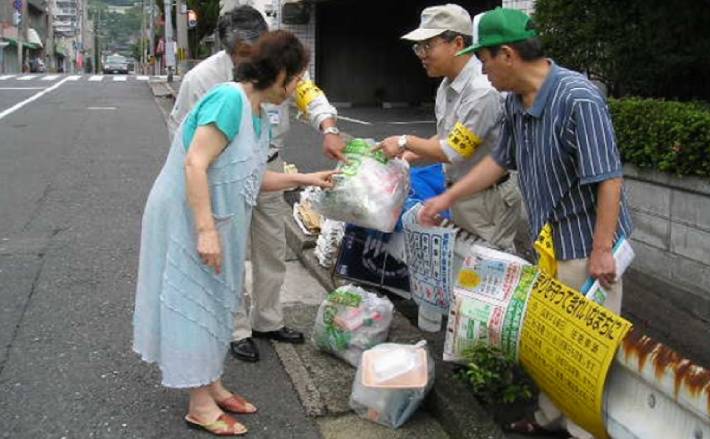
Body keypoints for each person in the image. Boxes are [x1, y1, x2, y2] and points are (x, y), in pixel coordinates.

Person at [419, 8, 633, 438]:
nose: (482, 69)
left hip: (586, 248)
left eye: (485, 60)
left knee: (582, 354)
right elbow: (500, 161)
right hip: (549, 242)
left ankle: (581, 430)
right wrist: (448, 196)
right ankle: (547, 418)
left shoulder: (579, 98)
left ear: (509, 55)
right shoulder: (515, 102)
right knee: (551, 344)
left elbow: (608, 178)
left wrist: (602, 251)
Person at [133, 30, 336, 436]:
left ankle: (212, 384)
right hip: (189, 216)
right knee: (194, 301)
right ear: (279, 73)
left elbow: (252, 175)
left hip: (217, 217)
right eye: (296, 77)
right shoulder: (229, 99)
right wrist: (205, 231)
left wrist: (310, 177)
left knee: (217, 300)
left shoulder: (258, 114)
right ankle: (199, 404)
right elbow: (196, 163)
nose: (297, 87)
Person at [169, 5, 347, 364]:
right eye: (241, 56)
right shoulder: (203, 80)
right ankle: (235, 329)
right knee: (230, 253)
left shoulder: (281, 65)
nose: (251, 66)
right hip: (222, 175)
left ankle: (267, 319)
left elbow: (310, 95)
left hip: (269, 167)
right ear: (227, 50)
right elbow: (182, 141)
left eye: (256, 55)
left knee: (271, 247)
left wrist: (328, 128)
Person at [374, 3, 522, 252]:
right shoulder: (446, 86)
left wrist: (404, 141)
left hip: (488, 200)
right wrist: (408, 155)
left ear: (458, 43)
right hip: (464, 195)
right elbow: (449, 135)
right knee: (466, 269)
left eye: (428, 45)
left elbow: (455, 149)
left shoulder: (481, 90)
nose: (421, 54)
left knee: (488, 271)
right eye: (418, 47)